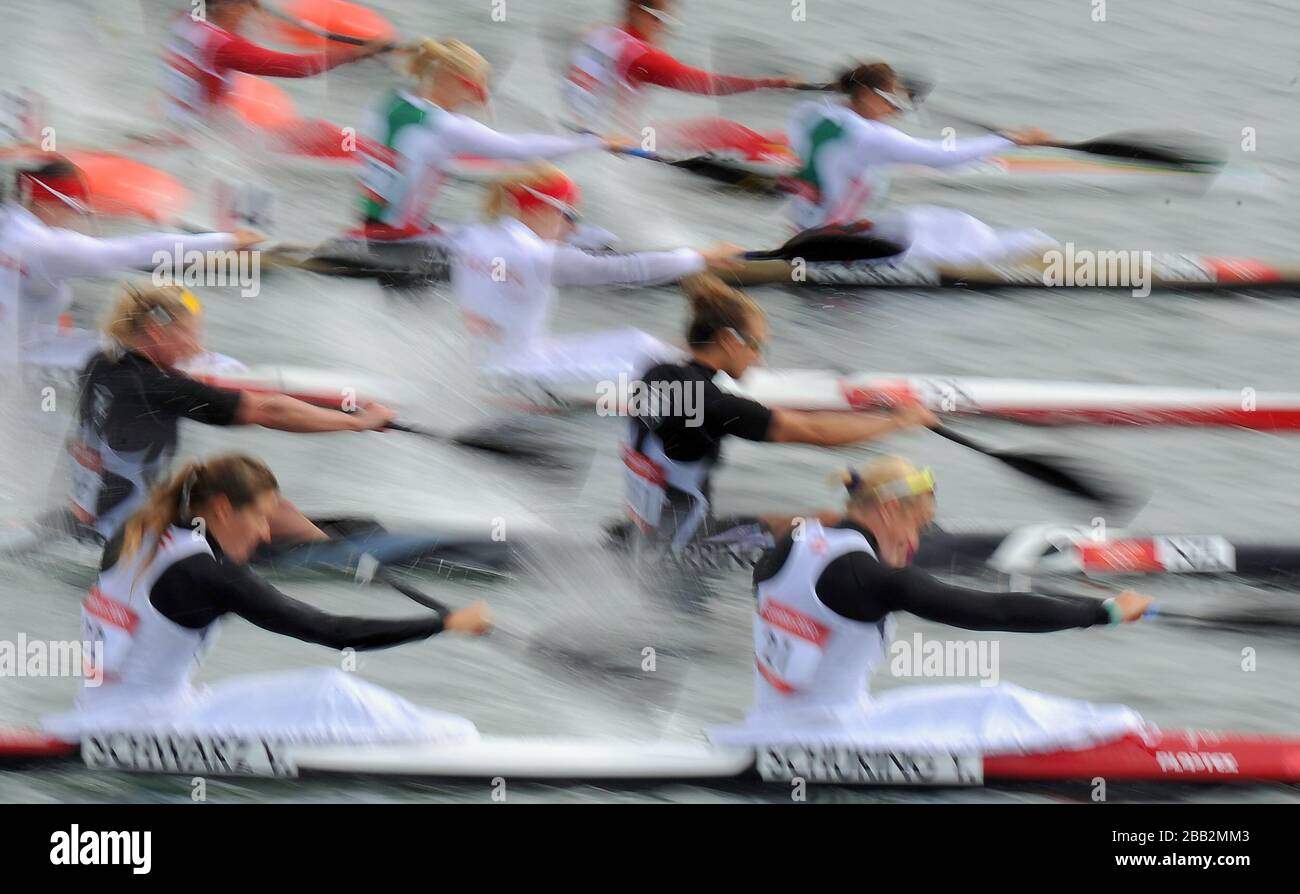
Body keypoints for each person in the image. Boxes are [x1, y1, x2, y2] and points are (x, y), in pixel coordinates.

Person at [706, 456, 1154, 753]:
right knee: (1007, 708)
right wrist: (1104, 611)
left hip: (773, 722)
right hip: (830, 739)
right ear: (886, 511)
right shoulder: (868, 576)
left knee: (997, 701)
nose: (916, 542)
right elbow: (993, 611)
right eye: (917, 525)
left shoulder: (787, 548)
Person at [43, 453, 491, 746]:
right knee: (332, 690)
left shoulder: (137, 533)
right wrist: (444, 624)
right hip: (149, 728)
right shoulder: (207, 574)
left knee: (326, 692)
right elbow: (330, 632)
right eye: (258, 517)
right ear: (220, 509)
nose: (264, 533)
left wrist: (303, 528)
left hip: (106, 710)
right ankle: (452, 747)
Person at [620, 274, 935, 565]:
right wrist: (898, 420)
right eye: (756, 345)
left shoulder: (656, 373)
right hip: (683, 551)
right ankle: (887, 554)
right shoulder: (717, 407)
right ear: (730, 340)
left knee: (780, 522)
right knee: (826, 521)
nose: (759, 358)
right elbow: (818, 433)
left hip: (648, 531)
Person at [66, 283, 394, 543]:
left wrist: (341, 404)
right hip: (130, 536)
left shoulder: (100, 363)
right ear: (155, 331)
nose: (198, 347)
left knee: (215, 483)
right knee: (263, 501)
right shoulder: (159, 386)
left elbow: (246, 392)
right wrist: (358, 423)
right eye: (190, 333)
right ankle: (339, 556)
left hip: (90, 516)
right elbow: (270, 410)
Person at [451, 164, 740, 393]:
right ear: (542, 208)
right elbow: (627, 271)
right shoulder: (539, 257)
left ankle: (695, 362)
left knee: (635, 341)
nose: (573, 229)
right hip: (517, 375)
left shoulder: (471, 236)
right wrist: (700, 257)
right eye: (570, 216)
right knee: (653, 360)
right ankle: (714, 380)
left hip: (484, 363)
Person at [355, 37, 624, 276]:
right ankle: (615, 262)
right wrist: (596, 142)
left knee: (480, 230)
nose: (471, 103)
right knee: (590, 239)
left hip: (372, 231)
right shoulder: (444, 126)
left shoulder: (389, 102)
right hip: (404, 246)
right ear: (449, 79)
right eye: (473, 91)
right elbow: (518, 149)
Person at [0, 153, 259, 376]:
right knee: (135, 348)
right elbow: (134, 250)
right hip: (17, 364)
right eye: (77, 212)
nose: (78, 221)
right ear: (51, 203)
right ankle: (197, 365)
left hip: (20, 347)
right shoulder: (47, 246)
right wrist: (229, 241)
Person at [784, 61, 1058, 266]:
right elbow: (942, 157)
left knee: (927, 222)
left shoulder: (811, 113)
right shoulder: (871, 137)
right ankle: (1050, 258)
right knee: (957, 228)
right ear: (867, 96)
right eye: (890, 102)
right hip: (832, 247)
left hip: (805, 234)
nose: (896, 111)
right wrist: (1008, 139)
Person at [563, 0, 803, 134]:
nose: (665, 28)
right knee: (719, 129)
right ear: (635, 10)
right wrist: (770, 83)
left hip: (579, 128)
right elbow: (710, 86)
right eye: (661, 18)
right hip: (610, 143)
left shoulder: (595, 33)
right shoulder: (641, 56)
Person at [162, 0, 392, 130]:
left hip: (176, 121)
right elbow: (297, 68)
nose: (248, 15)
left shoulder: (185, 19)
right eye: (246, 8)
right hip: (204, 138)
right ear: (227, 6)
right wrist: (358, 53)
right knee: (315, 130)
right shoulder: (225, 47)